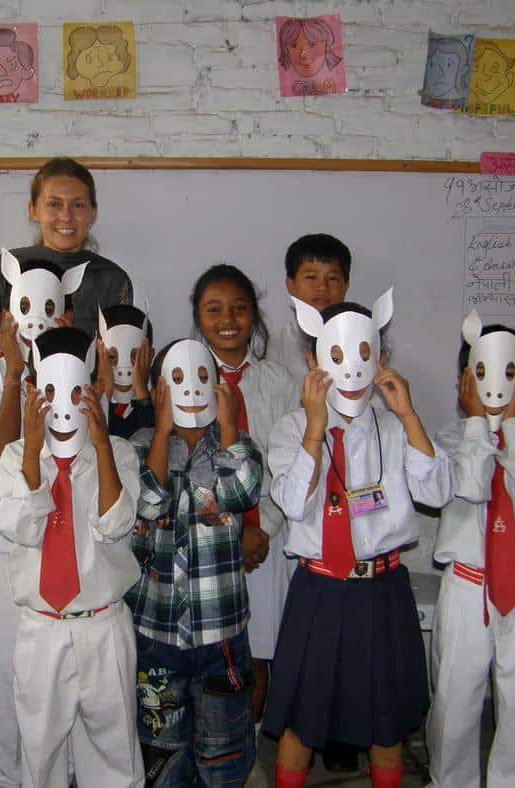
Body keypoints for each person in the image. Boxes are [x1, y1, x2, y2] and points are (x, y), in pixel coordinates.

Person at [265, 291, 451, 788]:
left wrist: (409, 416)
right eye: (336, 354)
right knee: (301, 724)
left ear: (380, 358)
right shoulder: (290, 430)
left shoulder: (395, 427)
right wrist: (315, 430)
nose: (351, 367)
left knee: (385, 728)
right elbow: (293, 503)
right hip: (319, 590)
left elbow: (437, 492)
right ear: (314, 361)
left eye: (365, 353)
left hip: (381, 589)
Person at [0, 326, 144, 788]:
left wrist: (102, 446)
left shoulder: (118, 453)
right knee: (40, 751)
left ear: (94, 390)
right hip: (42, 628)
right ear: (34, 392)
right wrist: (32, 453)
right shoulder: (15, 457)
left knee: (115, 748)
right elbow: (20, 526)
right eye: (51, 392)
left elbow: (115, 524)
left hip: (103, 625)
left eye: (77, 392)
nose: (64, 405)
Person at [426, 313, 515, 788]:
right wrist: (476, 426)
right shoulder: (450, 440)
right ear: (465, 381)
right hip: (468, 587)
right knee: (455, 700)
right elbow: (470, 486)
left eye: (510, 372)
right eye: (483, 372)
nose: (497, 384)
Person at [0, 255, 85, 787]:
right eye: (27, 306)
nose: (37, 318)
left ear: (67, 315)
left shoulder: (79, 380)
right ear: (9, 315)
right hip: (6, 550)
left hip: (65, 547)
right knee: (4, 672)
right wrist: (15, 373)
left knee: (63, 675)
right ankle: (8, 775)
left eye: (50, 308)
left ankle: (66, 772)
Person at [126, 338, 262, 786]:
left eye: (203, 377)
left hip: (219, 632)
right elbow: (148, 504)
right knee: (163, 750)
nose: (191, 389)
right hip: (157, 634)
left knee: (223, 751)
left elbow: (242, 491)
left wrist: (228, 425)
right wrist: (161, 430)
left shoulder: (236, 445)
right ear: (158, 390)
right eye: (178, 380)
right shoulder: (141, 446)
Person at [190, 264, 299, 785]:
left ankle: (248, 755)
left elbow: (290, 460)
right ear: (198, 318)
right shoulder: (186, 377)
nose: (227, 319)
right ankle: (208, 755)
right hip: (208, 544)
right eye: (213, 309)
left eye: (238, 308)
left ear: (254, 315)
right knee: (212, 655)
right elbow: (187, 469)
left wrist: (264, 528)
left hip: (267, 542)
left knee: (257, 656)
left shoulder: (279, 381)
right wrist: (232, 531)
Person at [0, 157, 131, 422]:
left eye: (78, 205)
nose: (66, 216)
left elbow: (117, 365)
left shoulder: (112, 279)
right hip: (10, 413)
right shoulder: (3, 269)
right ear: (33, 210)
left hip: (80, 417)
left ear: (93, 212)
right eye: (54, 204)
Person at [268, 234, 351, 381]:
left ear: (345, 287)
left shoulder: (363, 343)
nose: (322, 287)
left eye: (332, 278)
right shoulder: (271, 348)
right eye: (311, 277)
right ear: (291, 285)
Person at [96, 303, 155, 440]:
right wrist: (105, 393)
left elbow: (149, 443)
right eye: (112, 357)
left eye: (135, 357)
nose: (123, 370)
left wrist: (142, 394)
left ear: (149, 356)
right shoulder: (86, 404)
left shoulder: (160, 405)